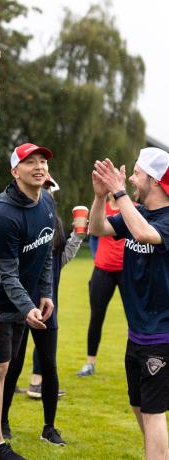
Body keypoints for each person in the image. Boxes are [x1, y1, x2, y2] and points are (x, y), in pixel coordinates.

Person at [89, 147, 169, 460]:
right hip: (137, 333)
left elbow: (145, 234)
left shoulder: (163, 218)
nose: (132, 178)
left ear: (154, 180)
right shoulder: (139, 212)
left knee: (152, 411)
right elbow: (98, 229)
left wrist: (119, 192)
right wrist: (99, 196)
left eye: (137, 173)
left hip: (161, 336)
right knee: (139, 405)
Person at [0, 143, 66, 458]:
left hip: (27, 302)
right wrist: (27, 306)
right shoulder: (4, 215)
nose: (39, 166)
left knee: (8, 368)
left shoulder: (47, 201)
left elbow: (46, 252)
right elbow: (6, 274)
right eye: (29, 161)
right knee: (0, 370)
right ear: (14, 171)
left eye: (43, 161)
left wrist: (45, 292)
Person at [25, 174, 85, 398]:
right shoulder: (18, 216)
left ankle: (36, 383)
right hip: (22, 294)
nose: (47, 192)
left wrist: (78, 236)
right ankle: (16, 386)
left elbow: (60, 260)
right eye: (44, 188)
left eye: (49, 189)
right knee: (12, 349)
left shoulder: (54, 222)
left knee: (43, 340)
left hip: (47, 295)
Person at [77, 192, 125, 377]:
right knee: (96, 317)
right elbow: (93, 235)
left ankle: (140, 360)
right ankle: (90, 363)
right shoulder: (101, 209)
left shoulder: (133, 208)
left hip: (126, 271)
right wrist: (98, 256)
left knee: (134, 317)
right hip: (103, 271)